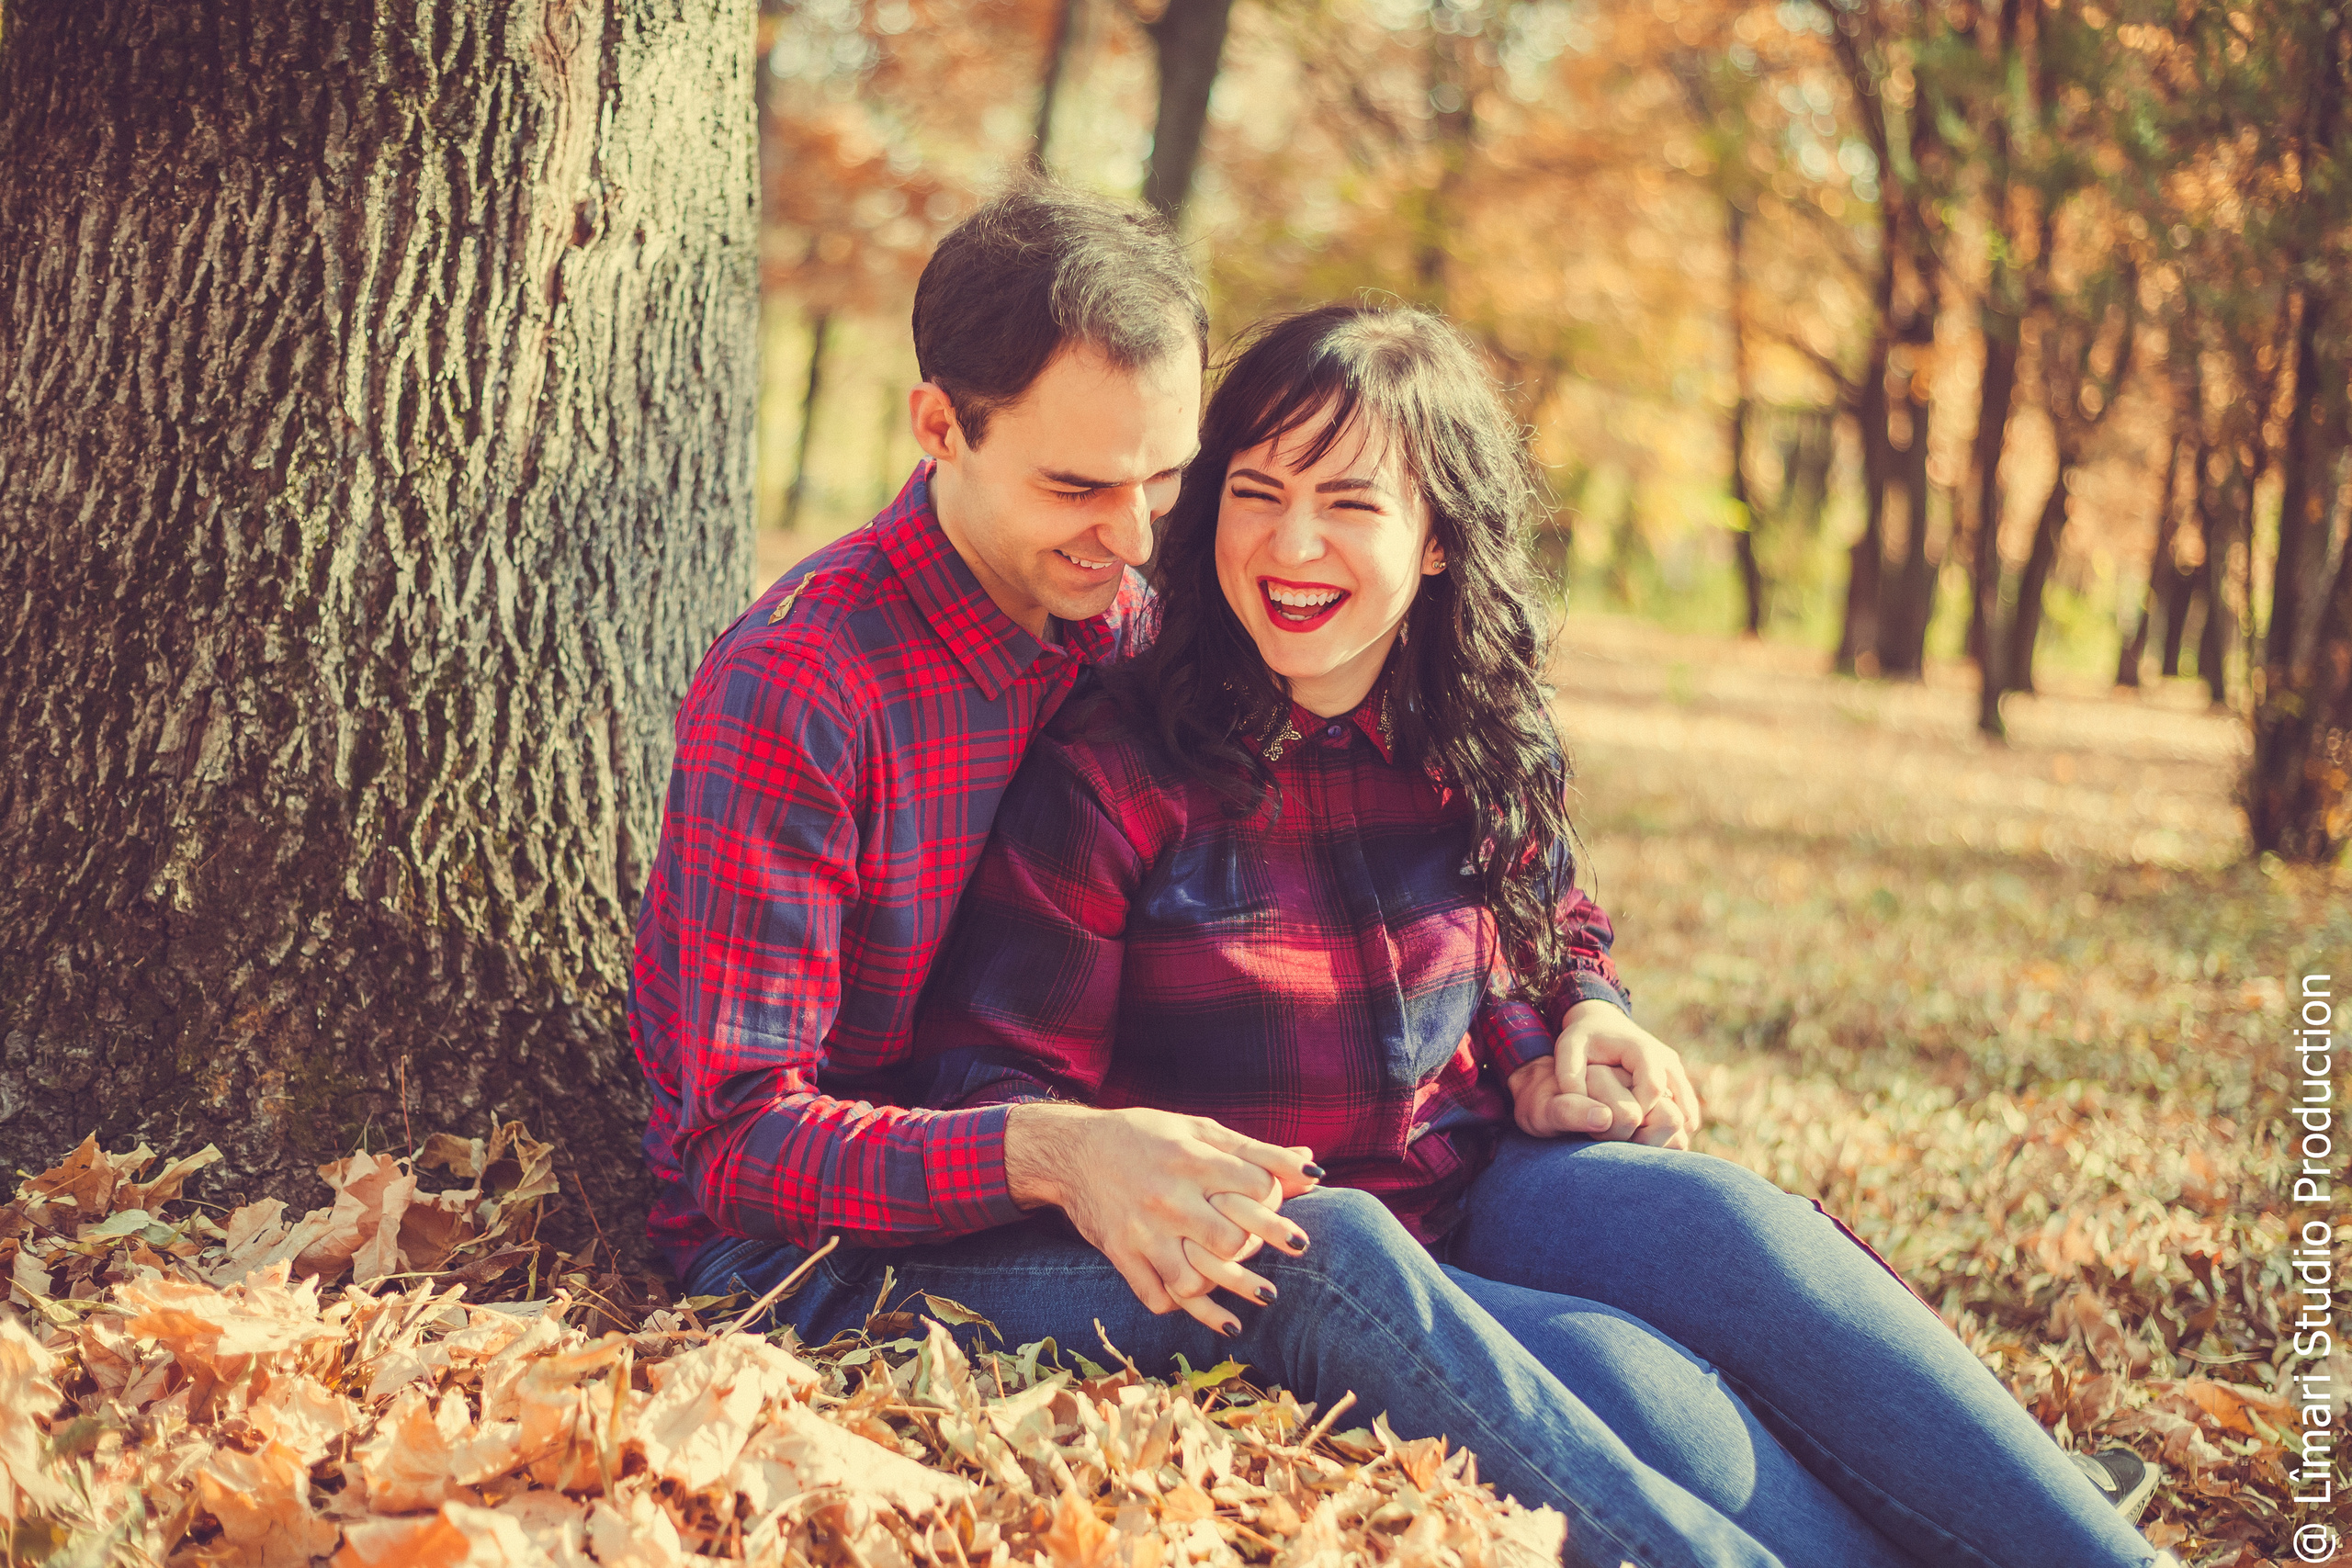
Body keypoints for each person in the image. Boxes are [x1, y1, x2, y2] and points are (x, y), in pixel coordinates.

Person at [888, 303, 2176, 1568]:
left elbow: (1543, 921)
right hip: (1315, 1258)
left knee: (1717, 1223)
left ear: (1438, 540)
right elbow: (997, 1085)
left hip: (1479, 1183)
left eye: (1350, 502)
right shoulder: (1118, 769)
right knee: (1635, 1383)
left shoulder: (1472, 724)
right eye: (1256, 490)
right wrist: (1111, 1160)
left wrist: (1585, 1014)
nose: (1292, 542)